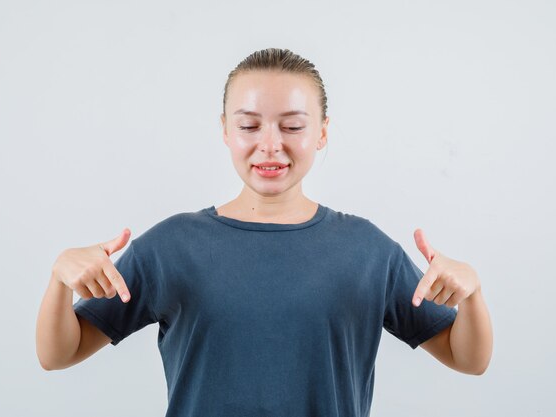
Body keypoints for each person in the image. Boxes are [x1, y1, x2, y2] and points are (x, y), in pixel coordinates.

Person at [36, 48, 493, 417]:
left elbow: (468, 359)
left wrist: (471, 292)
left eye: (292, 125)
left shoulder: (366, 250)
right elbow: (60, 353)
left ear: (322, 133)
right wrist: (60, 279)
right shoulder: (172, 247)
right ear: (225, 131)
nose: (270, 144)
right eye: (249, 125)